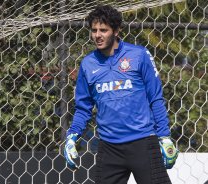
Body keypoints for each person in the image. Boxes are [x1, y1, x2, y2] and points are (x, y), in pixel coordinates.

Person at [63, 4, 178, 184]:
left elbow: (155, 98)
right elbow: (83, 108)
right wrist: (72, 136)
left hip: (143, 143)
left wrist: (164, 136)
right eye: (94, 30)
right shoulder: (88, 64)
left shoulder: (139, 55)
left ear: (116, 31)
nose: (97, 35)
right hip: (109, 148)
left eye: (103, 30)